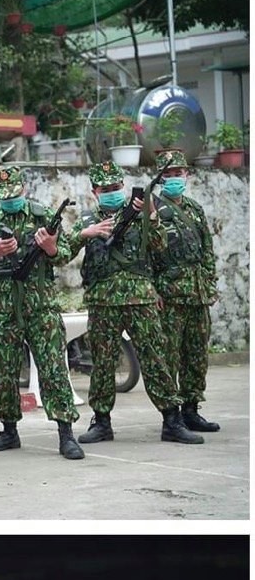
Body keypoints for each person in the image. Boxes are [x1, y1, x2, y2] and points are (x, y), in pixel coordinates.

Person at [66, 160, 203, 445]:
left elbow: (161, 247)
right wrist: (83, 235)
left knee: (156, 360)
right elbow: (60, 254)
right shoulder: (88, 221)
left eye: (117, 187)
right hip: (103, 303)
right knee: (103, 364)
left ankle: (172, 419)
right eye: (106, 189)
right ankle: (101, 422)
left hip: (141, 299)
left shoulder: (140, 215)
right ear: (95, 191)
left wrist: (151, 216)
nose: (113, 192)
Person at [0, 165, 84, 461]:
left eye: (14, 194)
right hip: (2, 309)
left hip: (40, 308)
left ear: (24, 189)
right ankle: (8, 430)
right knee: (3, 372)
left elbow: (65, 255)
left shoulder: (42, 216)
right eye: (4, 196)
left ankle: (66, 433)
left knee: (53, 370)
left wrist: (52, 248)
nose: (10, 199)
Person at [151, 148, 221, 432]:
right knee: (169, 355)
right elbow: (147, 255)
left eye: (178, 173)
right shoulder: (153, 209)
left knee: (197, 355)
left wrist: (209, 282)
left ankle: (192, 408)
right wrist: (152, 290)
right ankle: (173, 414)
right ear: (159, 178)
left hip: (197, 293)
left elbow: (207, 250)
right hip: (169, 295)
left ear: (186, 174)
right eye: (168, 175)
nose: (174, 178)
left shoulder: (194, 209)